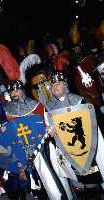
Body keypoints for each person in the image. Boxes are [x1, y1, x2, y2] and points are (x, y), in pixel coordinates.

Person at [45, 70, 104, 199]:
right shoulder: (48, 108)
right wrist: (49, 131)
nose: (55, 86)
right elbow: (48, 129)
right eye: (53, 84)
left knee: (90, 181)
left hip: (85, 149)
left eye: (58, 83)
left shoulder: (81, 101)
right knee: (76, 182)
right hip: (66, 150)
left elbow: (95, 125)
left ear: (65, 85)